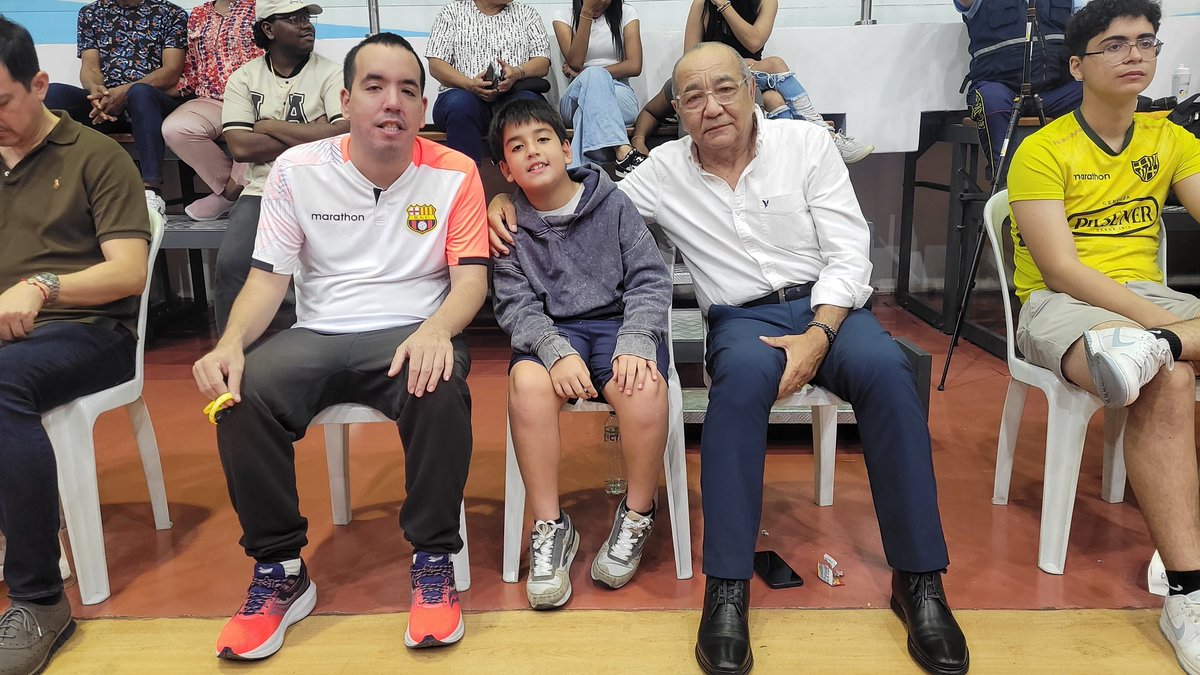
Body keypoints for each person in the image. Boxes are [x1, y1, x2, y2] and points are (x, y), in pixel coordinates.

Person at [489, 42, 969, 675]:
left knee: (889, 374)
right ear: (678, 112)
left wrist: (819, 334)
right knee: (736, 390)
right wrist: (508, 202)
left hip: (833, 309)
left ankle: (919, 581)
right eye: (692, 97)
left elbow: (852, 252)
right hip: (741, 320)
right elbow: (585, 201)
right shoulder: (662, 172)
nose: (711, 106)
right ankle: (727, 589)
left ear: (750, 89)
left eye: (724, 88)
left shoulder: (806, 146)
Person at [192, 32, 489, 660]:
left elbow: (470, 282)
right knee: (239, 395)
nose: (393, 102)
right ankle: (280, 571)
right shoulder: (298, 172)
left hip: (412, 330)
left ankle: (433, 561)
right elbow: (268, 279)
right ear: (346, 98)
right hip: (319, 332)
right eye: (376, 87)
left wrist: (436, 329)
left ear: (423, 104)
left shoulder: (455, 172)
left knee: (438, 382)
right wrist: (231, 344)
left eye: (408, 89)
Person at [1006, 1, 1200, 671]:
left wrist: (1163, 329)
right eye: (1115, 45)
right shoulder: (1043, 149)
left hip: (1150, 306)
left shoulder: (1171, 139)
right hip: (1060, 305)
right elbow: (1063, 269)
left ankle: (1162, 352)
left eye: (1146, 42)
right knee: (1171, 377)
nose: (1134, 55)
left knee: (1162, 364)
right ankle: (1188, 589)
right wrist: (1170, 326)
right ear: (1077, 65)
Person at [0, 16, 152, 675]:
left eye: (1, 102)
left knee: (3, 383)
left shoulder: (96, 156)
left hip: (91, 332)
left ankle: (39, 600)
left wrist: (42, 286)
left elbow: (128, 271)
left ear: (39, 84)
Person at [488, 98, 672, 609]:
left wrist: (637, 340)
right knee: (526, 386)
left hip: (618, 325)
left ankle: (637, 513)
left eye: (543, 140)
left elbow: (649, 278)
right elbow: (513, 303)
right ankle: (550, 525)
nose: (533, 152)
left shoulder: (612, 204)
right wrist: (552, 350)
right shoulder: (508, 226)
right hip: (552, 333)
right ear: (505, 170)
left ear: (566, 147)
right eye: (517, 148)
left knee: (644, 389)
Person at [213, 0, 347, 334]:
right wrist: (313, 131)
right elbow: (241, 148)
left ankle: (299, 353)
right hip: (262, 189)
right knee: (232, 265)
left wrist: (266, 126)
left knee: (316, 271)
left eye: (308, 18)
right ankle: (236, 355)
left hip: (322, 185)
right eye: (295, 18)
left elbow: (342, 135)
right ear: (269, 29)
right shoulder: (244, 78)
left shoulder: (333, 73)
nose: (307, 25)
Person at [684, 0, 873, 163]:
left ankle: (790, 158)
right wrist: (733, 63)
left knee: (774, 99)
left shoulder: (766, 2)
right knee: (775, 64)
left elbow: (754, 41)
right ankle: (827, 135)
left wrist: (725, 5)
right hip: (715, 78)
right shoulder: (703, 4)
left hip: (753, 78)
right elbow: (690, 58)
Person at [44, 0, 188, 215]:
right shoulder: (91, 12)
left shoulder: (170, 12)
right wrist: (97, 92)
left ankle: (151, 192)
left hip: (153, 102)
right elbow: (90, 67)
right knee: (52, 93)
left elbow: (171, 71)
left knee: (140, 93)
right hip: (109, 104)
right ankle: (54, 185)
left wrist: (124, 91)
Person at [957, 0, 1084, 178]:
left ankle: (1085, 181)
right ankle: (1005, 184)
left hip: (1055, 90)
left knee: (1095, 93)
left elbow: (1091, 26)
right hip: (1000, 88)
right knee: (991, 99)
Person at [162, 0, 263, 220]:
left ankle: (227, 197)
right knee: (175, 129)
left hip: (254, 99)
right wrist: (143, 90)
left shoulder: (261, 7)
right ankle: (237, 191)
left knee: (251, 131)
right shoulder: (199, 14)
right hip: (210, 99)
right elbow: (191, 67)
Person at [426, 0, 552, 162]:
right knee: (460, 104)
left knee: (529, 104)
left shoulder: (527, 14)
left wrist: (517, 73)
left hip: (512, 95)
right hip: (463, 96)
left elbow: (542, 62)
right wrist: (470, 84)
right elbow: (436, 64)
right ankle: (466, 180)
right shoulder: (452, 12)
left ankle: (533, 177)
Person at [552, 0, 647, 176]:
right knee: (591, 86)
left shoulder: (627, 13)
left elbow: (634, 65)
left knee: (585, 112)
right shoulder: (563, 16)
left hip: (619, 96)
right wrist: (586, 12)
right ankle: (622, 150)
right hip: (575, 96)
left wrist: (589, 72)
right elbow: (575, 61)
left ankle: (579, 175)